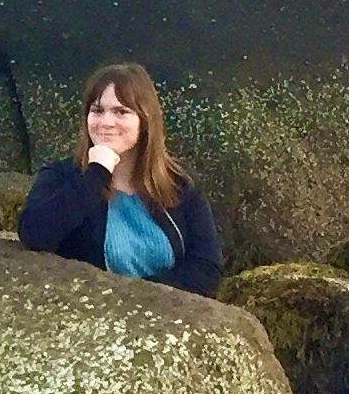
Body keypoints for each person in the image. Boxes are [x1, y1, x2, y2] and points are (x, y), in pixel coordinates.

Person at [16, 63, 221, 293]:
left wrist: (135, 296)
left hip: (165, 318)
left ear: (145, 120)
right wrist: (96, 174)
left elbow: (207, 268)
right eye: (97, 110)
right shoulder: (61, 176)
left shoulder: (179, 182)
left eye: (121, 112)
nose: (106, 122)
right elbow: (34, 235)